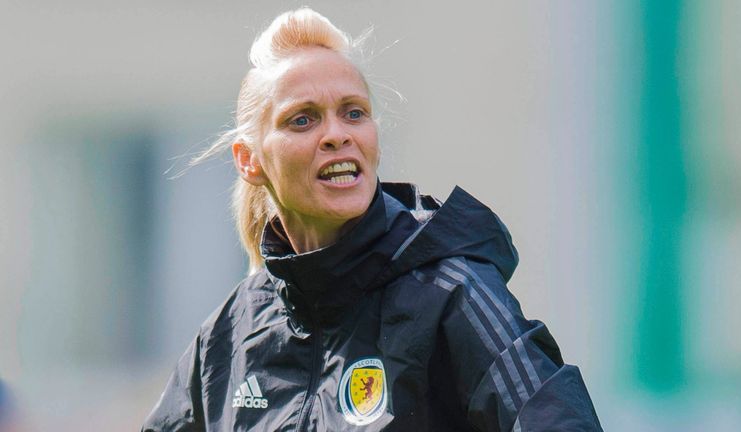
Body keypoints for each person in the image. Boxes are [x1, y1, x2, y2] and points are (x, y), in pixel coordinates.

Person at [142, 8, 602, 432]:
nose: (337, 135)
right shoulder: (227, 338)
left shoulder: (451, 293)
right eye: (303, 120)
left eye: (354, 113)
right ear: (249, 161)